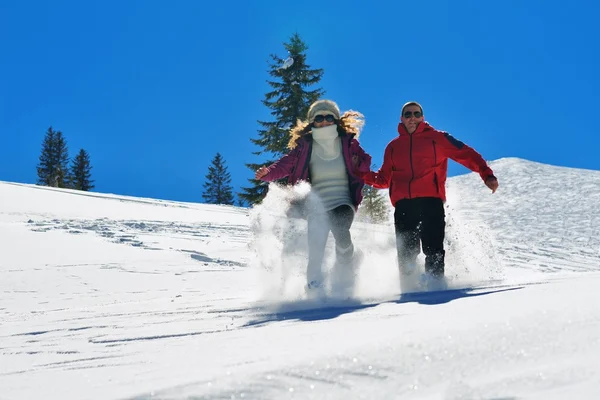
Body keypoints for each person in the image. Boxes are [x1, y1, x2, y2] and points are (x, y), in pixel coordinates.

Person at [356, 101, 498, 286]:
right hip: (404, 205)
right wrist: (360, 173)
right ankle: (409, 287)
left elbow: (467, 154)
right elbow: (383, 179)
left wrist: (486, 174)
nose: (412, 118)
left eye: (416, 114)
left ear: (422, 117)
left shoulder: (438, 138)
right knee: (406, 252)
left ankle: (436, 284)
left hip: (431, 201)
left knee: (433, 247)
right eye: (408, 114)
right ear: (402, 119)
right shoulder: (393, 147)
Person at [255, 99, 371, 292]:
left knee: (341, 232)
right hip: (317, 205)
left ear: (336, 120)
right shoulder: (304, 146)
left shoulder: (348, 142)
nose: (324, 121)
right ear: (312, 122)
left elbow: (365, 161)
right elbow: (284, 165)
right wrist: (268, 174)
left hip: (343, 201)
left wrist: (359, 162)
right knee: (316, 243)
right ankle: (314, 284)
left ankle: (348, 260)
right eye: (319, 117)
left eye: (328, 117)